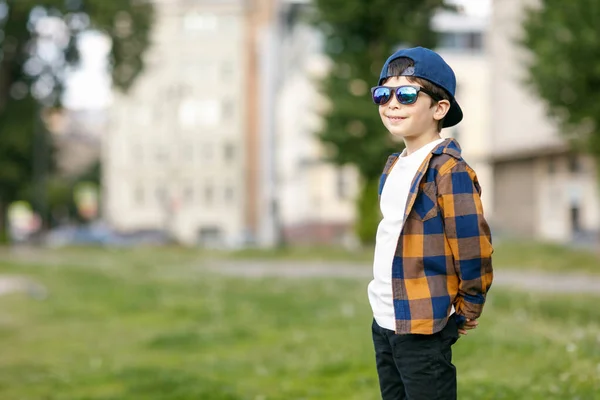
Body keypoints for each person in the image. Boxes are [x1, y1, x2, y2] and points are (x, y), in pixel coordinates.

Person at [367, 46, 494, 400]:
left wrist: (469, 305)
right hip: (385, 319)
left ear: (440, 108)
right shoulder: (394, 166)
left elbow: (472, 246)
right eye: (383, 93)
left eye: (407, 94)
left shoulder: (449, 172)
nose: (392, 103)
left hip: (424, 325)